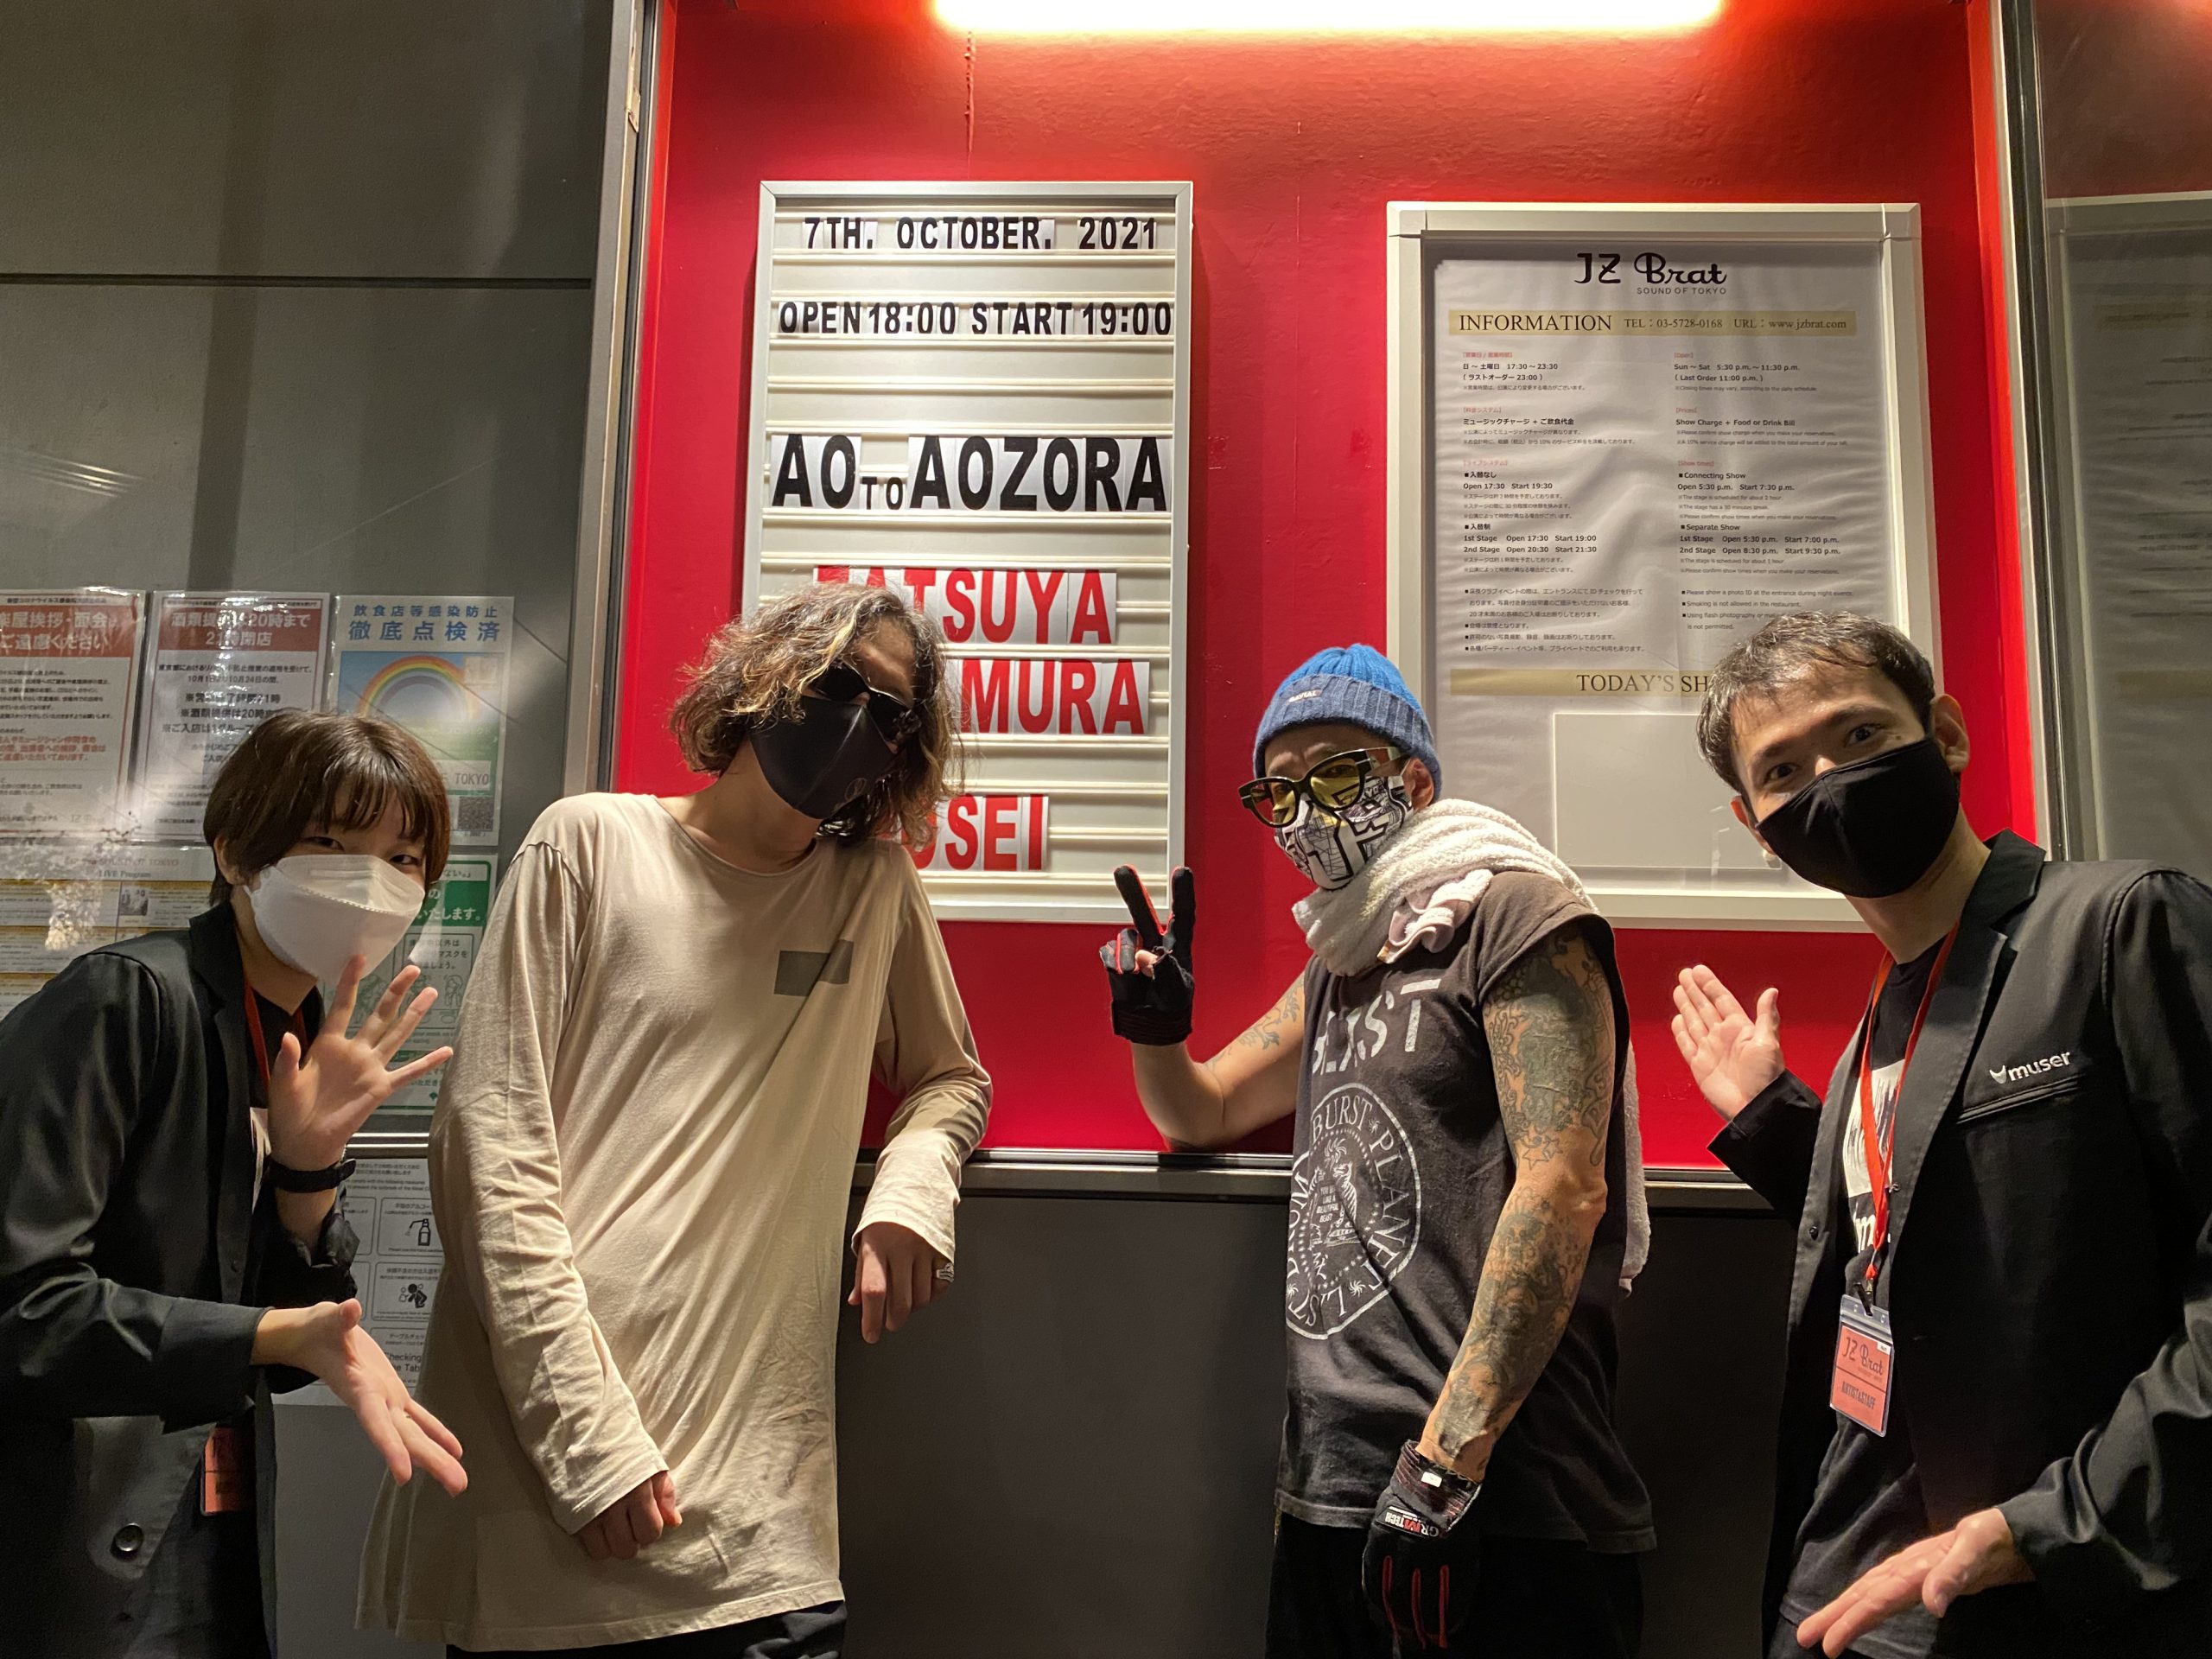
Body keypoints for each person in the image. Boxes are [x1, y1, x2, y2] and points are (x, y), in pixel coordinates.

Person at [359, 582, 992, 1657]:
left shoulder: (872, 890)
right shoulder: (588, 845)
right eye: (839, 685)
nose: (857, 723)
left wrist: (912, 1192)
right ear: (764, 678)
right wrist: (587, 1441)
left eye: (890, 715)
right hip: (551, 1517)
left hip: (762, 1543)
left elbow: (950, 1079)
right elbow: (490, 1150)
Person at [1669, 611, 2212, 1658]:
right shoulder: (1880, 1023)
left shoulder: (2120, 925)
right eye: (1782, 771)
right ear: (1757, 827)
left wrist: (2055, 1525)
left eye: (1859, 735)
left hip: (2032, 1583)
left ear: (1946, 733)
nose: (1830, 779)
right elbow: (1940, 1226)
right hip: (1839, 1578)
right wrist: (1774, 1121)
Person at [1102, 645, 1655, 1658]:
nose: (1306, 809)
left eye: (1337, 772)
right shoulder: (1341, 963)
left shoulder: (1514, 915)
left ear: (1415, 782)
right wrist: (1155, 1032)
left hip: (1498, 1488)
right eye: (1280, 788)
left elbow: (1565, 1186)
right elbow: (1203, 1110)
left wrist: (1445, 1467)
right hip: (1338, 1476)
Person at [0, 709, 470, 1659]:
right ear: (236, 851)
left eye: (404, 859)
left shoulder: (301, 1034)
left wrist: (308, 1171)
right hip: (61, 1527)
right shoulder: (128, 999)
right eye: (329, 843)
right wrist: (270, 1332)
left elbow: (291, 1356)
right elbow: (24, 1308)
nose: (370, 880)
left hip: (203, 1509)